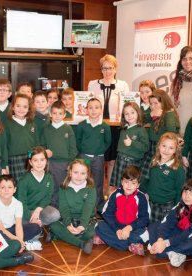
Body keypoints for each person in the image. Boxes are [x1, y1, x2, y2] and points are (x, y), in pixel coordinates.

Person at [147, 178, 192, 267]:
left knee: (188, 245)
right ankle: (170, 252)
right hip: (182, 233)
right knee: (154, 226)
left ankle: (161, 248)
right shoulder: (181, 205)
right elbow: (167, 222)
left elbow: (191, 233)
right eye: (185, 192)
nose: (187, 196)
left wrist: (166, 243)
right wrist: (160, 239)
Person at [87, 54, 130, 185]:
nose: (107, 71)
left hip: (115, 127)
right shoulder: (92, 84)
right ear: (101, 69)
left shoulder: (123, 85)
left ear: (115, 69)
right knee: (97, 160)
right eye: (104, 68)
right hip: (97, 126)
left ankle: (109, 191)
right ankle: (95, 191)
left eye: (110, 68)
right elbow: (88, 104)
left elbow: (126, 106)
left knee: (112, 161)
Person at [95, 165, 150, 256]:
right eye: (126, 182)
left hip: (133, 228)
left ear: (138, 185)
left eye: (133, 183)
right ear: (122, 182)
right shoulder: (115, 195)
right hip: (116, 227)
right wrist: (117, 229)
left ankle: (108, 240)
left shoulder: (141, 198)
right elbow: (107, 214)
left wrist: (129, 228)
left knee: (145, 234)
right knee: (99, 225)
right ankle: (129, 244)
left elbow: (144, 219)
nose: (129, 186)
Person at [47, 160, 96, 255]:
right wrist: (68, 224)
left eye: (83, 173)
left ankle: (59, 236)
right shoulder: (63, 187)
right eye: (75, 172)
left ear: (87, 175)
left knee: (92, 232)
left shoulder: (91, 188)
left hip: (85, 219)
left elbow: (88, 209)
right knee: (53, 225)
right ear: (70, 172)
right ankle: (81, 243)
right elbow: (64, 208)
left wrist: (82, 226)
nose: (79, 176)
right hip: (68, 217)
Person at [75, 98, 111, 213]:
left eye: (96, 107)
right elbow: (78, 140)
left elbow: (107, 141)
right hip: (84, 157)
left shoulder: (105, 126)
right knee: (81, 180)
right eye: (90, 107)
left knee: (98, 182)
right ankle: (80, 204)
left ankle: (98, 206)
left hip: (98, 158)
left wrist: (99, 151)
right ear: (86, 110)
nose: (93, 110)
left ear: (101, 110)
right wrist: (84, 151)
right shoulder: (82, 125)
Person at [0, 175, 42, 252]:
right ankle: (18, 243)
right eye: (2, 187)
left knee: (36, 227)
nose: (6, 190)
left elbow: (18, 225)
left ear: (14, 189)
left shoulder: (18, 204)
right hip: (0, 232)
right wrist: (17, 240)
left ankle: (17, 244)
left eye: (10, 187)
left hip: (12, 229)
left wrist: (19, 241)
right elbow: (1, 228)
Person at [142, 132, 186, 222]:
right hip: (150, 204)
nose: (166, 150)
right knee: (150, 230)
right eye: (164, 146)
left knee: (162, 232)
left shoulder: (177, 169)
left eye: (171, 148)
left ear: (176, 150)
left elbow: (180, 190)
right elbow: (146, 180)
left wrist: (177, 208)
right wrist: (144, 193)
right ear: (159, 146)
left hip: (167, 207)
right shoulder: (153, 161)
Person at [41, 101, 77, 207]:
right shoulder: (46, 129)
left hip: (65, 164)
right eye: (55, 113)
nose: (57, 116)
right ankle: (52, 207)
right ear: (50, 114)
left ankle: (64, 207)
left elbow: (73, 149)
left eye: (60, 113)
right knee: (52, 186)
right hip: (50, 163)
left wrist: (71, 162)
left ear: (64, 115)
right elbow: (42, 145)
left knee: (64, 186)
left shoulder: (68, 129)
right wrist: (45, 152)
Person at [140, 89, 180, 185]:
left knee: (155, 177)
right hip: (151, 148)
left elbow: (171, 134)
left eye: (156, 103)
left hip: (161, 149)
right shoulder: (155, 113)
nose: (153, 106)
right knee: (145, 178)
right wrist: (151, 114)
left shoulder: (169, 114)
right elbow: (140, 120)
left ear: (164, 102)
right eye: (151, 104)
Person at [16, 146, 60, 227]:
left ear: (46, 161)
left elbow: (47, 197)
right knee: (33, 234)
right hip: (25, 211)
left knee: (55, 214)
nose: (39, 163)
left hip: (40, 210)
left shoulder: (49, 177)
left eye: (42, 160)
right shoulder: (24, 180)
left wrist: (38, 209)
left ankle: (38, 224)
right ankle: (37, 225)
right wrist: (31, 217)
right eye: (35, 160)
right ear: (30, 162)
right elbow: (21, 204)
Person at [110, 102, 149, 187]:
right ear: (123, 116)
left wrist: (132, 143)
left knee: (130, 185)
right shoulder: (124, 128)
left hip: (132, 162)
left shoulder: (141, 129)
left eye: (132, 112)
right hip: (120, 160)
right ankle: (120, 199)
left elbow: (146, 147)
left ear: (138, 113)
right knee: (120, 185)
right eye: (126, 113)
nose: (129, 115)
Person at [5, 94, 39, 181]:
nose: (21, 109)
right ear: (12, 107)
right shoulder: (7, 124)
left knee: (31, 183)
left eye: (25, 106)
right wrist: (5, 164)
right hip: (14, 159)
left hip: (30, 158)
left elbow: (36, 143)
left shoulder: (32, 123)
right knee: (18, 185)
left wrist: (35, 157)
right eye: (18, 106)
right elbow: (4, 146)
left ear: (29, 109)